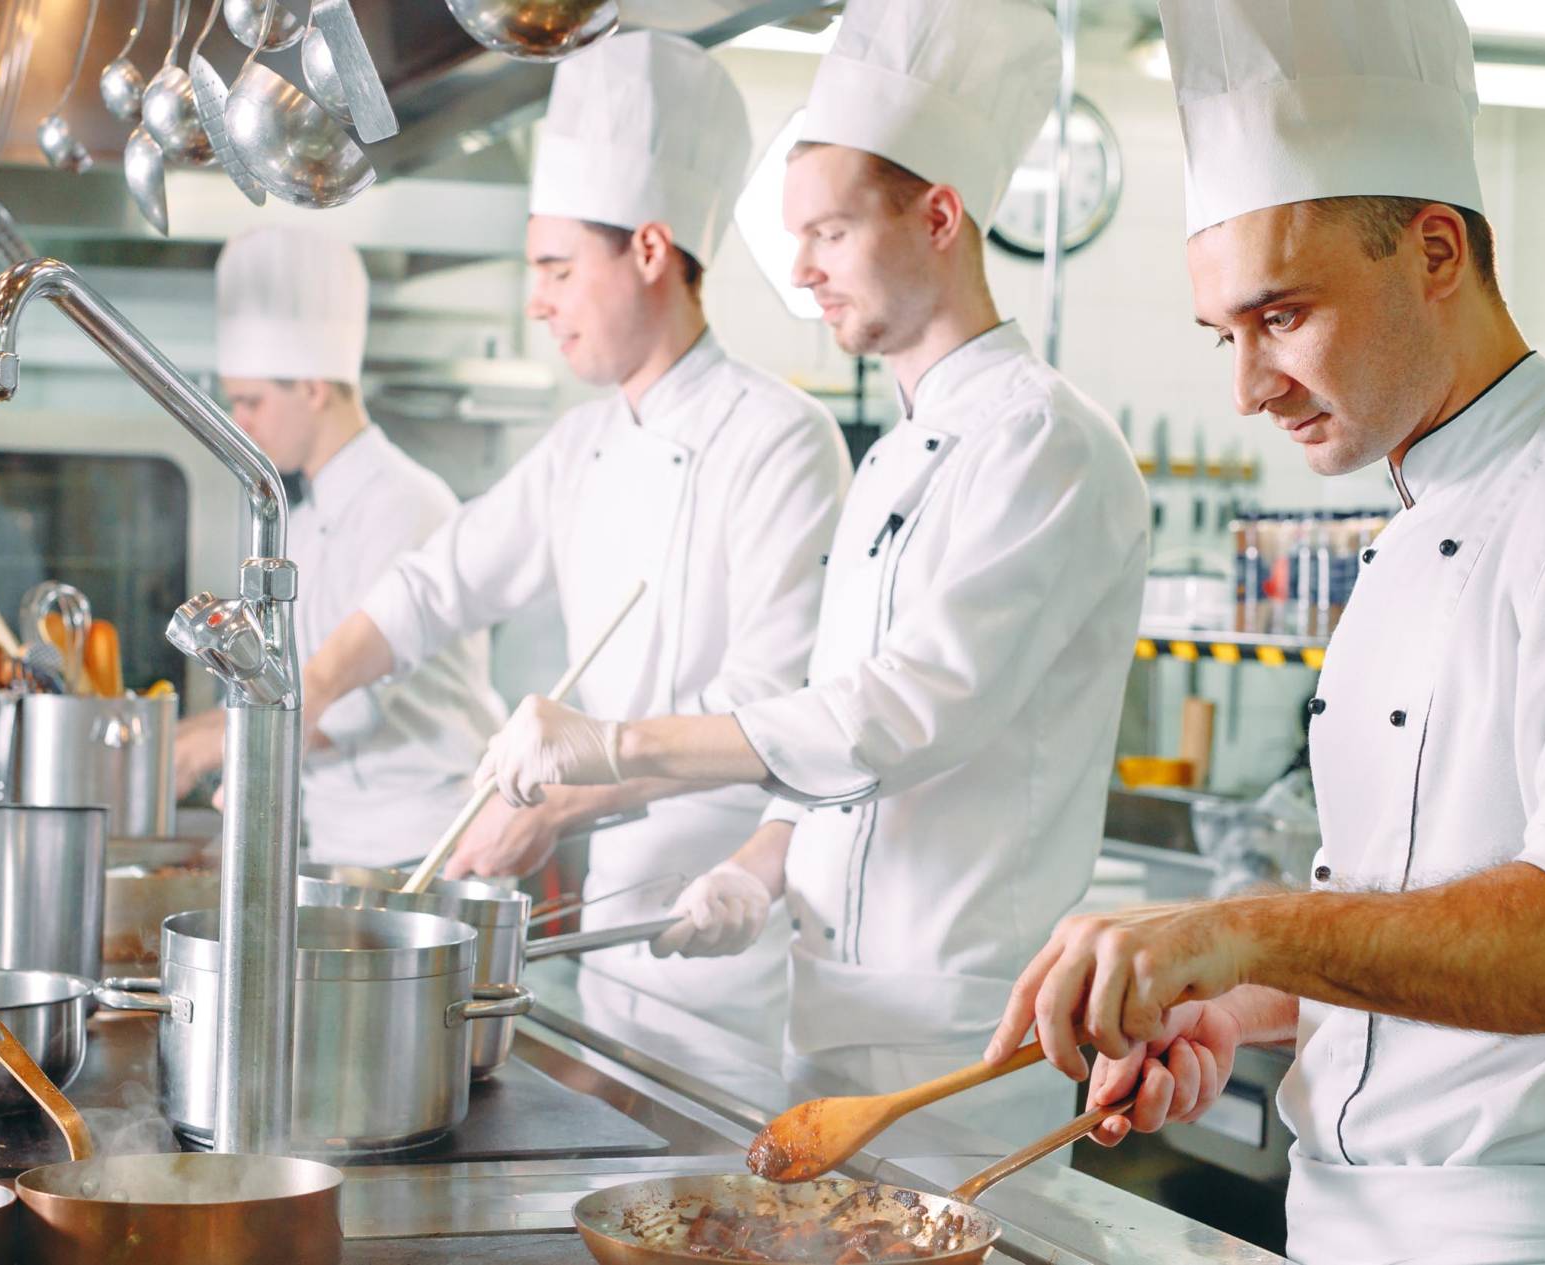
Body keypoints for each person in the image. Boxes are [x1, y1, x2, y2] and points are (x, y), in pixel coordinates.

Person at [987, 1, 1545, 1260]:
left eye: (1282, 316)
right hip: (1343, 1224)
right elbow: (1427, 925)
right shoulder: (1405, 531)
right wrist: (1237, 1003)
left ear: (1437, 250)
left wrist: (1230, 926)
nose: (1247, 387)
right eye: (1224, 336)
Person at [468, 0, 1149, 1147]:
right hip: (830, 1012)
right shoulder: (890, 456)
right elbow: (834, 738)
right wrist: (757, 864)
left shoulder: (1046, 442)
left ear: (938, 216)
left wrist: (616, 744)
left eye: (828, 233)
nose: (800, 270)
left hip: (958, 1045)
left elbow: (907, 712)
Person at [299, 31, 851, 1034]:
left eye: (555, 267)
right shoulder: (581, 443)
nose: (536, 300)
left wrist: (556, 801)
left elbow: (766, 713)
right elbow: (436, 585)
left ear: (648, 250)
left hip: (735, 939)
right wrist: (314, 684)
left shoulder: (783, 440)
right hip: (612, 947)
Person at [174, 225, 505, 867]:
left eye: (250, 402)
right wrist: (184, 735)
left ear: (313, 388)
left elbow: (346, 707)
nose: (237, 424)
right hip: (339, 839)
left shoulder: (405, 504)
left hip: (423, 845)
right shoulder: (297, 519)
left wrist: (204, 748)